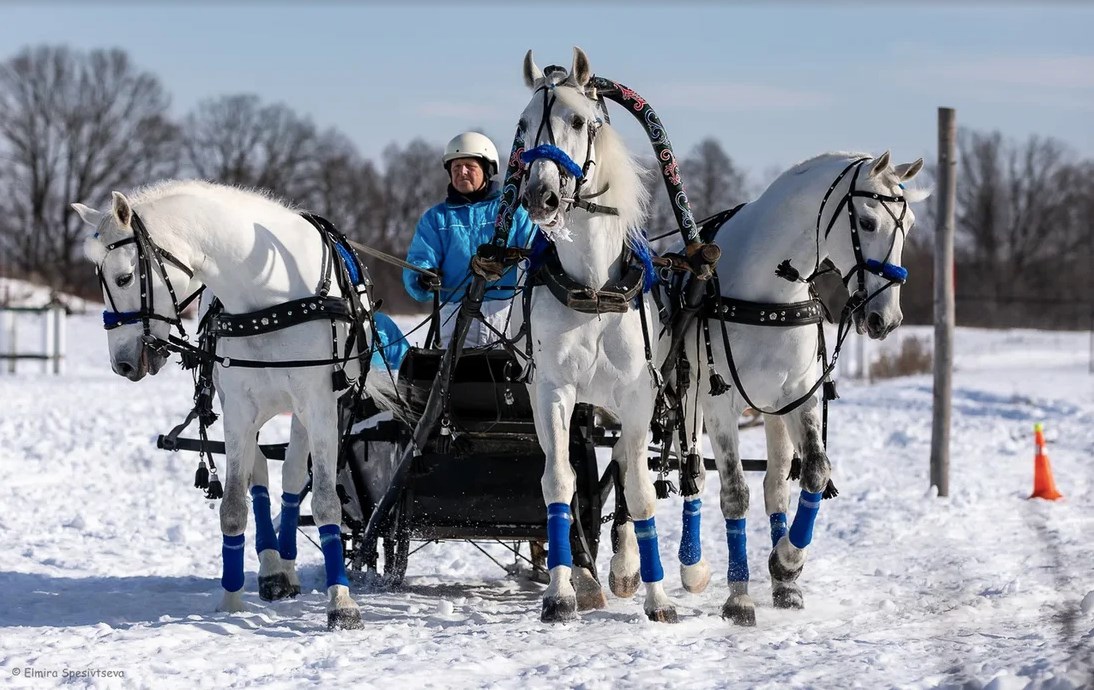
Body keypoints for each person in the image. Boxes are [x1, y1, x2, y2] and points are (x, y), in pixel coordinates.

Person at [402, 132, 536, 347]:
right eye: (456, 168)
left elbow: (534, 254)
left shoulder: (514, 212)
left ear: (487, 170)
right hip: (454, 314)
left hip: (508, 313)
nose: (462, 172)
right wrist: (422, 278)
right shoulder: (436, 219)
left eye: (469, 167)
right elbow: (420, 260)